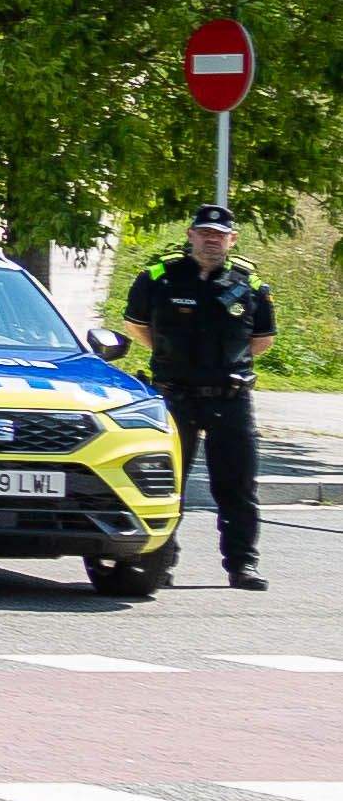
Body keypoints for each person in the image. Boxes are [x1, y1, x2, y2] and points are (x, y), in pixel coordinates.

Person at [125, 203, 278, 591]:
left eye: (220, 235)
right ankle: (161, 562)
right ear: (191, 235)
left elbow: (262, 341)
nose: (212, 240)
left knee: (237, 485)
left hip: (230, 398)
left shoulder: (250, 285)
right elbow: (138, 327)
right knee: (167, 483)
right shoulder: (159, 277)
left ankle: (243, 565)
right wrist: (175, 362)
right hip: (175, 396)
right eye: (204, 232)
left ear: (232, 239)